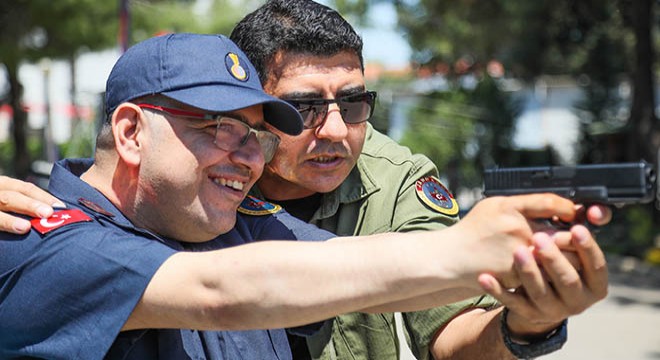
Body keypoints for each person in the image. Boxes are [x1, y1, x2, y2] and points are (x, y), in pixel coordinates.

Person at [0, 32, 603, 359]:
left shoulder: (229, 220)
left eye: (254, 135)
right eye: (217, 129)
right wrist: (469, 248)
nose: (244, 158)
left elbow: (362, 268)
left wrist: (526, 282)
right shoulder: (43, 238)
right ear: (132, 132)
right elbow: (223, 292)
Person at [228, 1, 611, 359]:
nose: (336, 130)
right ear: (249, 109)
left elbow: (451, 328)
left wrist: (529, 324)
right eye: (303, 109)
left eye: (352, 104)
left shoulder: (396, 179)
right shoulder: (205, 171)